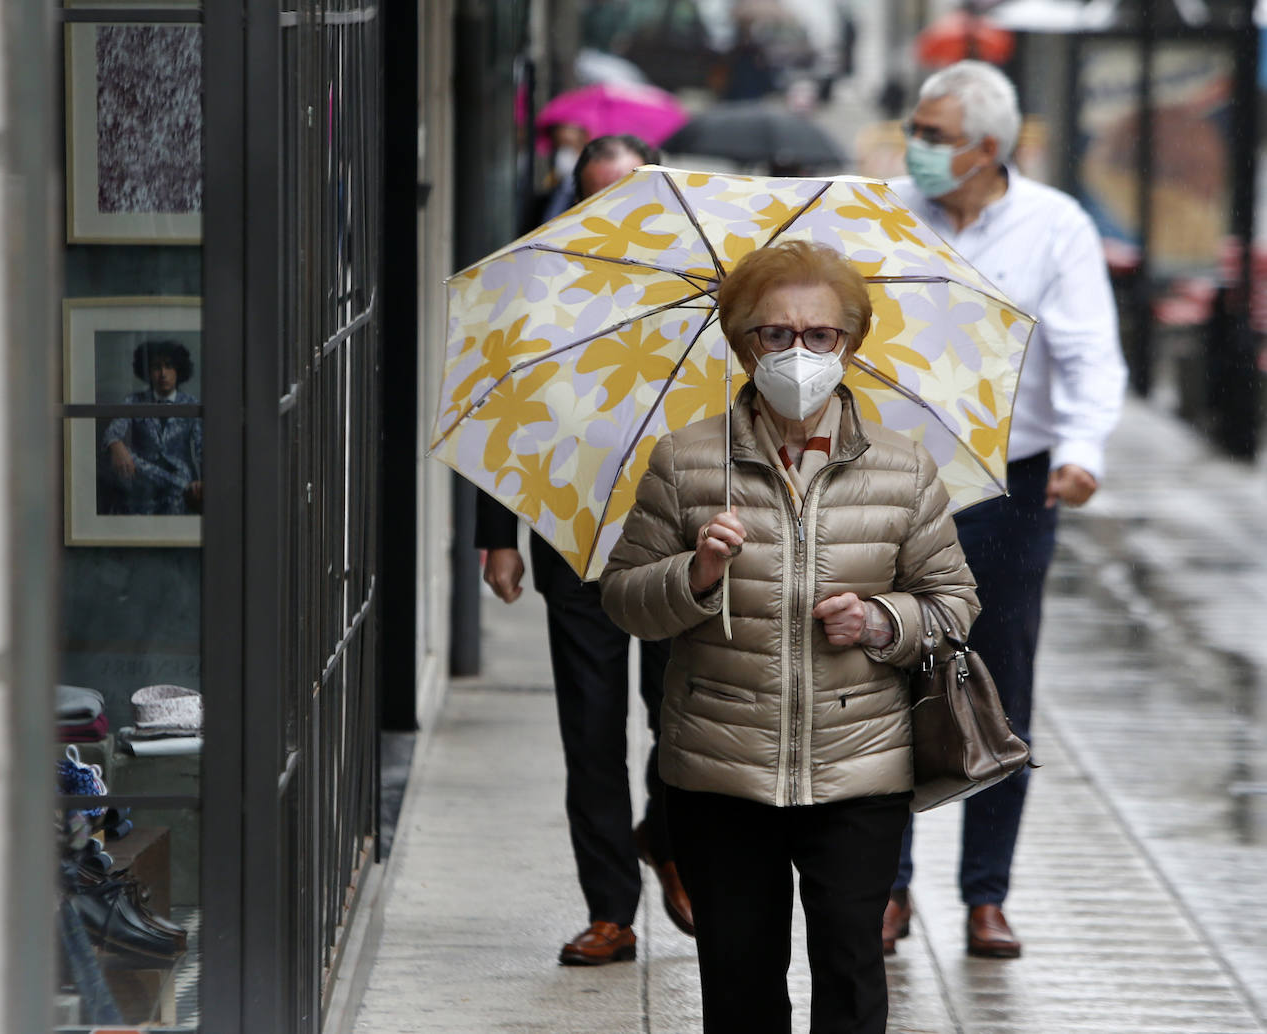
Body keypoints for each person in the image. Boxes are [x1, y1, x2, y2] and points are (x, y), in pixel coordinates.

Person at [600, 240, 979, 1034]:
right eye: (776, 334)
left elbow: (953, 603)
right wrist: (696, 575)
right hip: (720, 768)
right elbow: (627, 603)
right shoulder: (685, 461)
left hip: (859, 768)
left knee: (850, 970)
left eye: (820, 335)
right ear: (742, 343)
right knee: (739, 983)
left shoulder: (904, 471)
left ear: (849, 343)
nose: (799, 353)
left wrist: (881, 620)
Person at [886, 60, 1126, 958]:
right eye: (916, 127)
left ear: (989, 147)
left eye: (935, 134)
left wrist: (1081, 453)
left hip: (1012, 487)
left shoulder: (1053, 225)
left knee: (1000, 685)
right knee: (888, 677)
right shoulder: (888, 214)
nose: (919, 147)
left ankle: (987, 894)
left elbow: (1089, 352)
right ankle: (890, 889)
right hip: (898, 486)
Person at [475, 133, 691, 967]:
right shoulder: (539, 293)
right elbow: (495, 414)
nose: (618, 211)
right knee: (591, 735)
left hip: (682, 547)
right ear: (578, 199)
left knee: (682, 723)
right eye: (602, 194)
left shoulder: (700, 293)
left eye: (633, 195)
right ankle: (611, 911)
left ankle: (667, 838)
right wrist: (499, 540)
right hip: (575, 536)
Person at [100, 340, 203, 516]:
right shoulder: (134, 401)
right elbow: (113, 431)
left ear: (178, 370)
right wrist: (115, 444)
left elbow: (204, 448)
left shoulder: (192, 405)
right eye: (156, 367)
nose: (163, 373)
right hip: (143, 489)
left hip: (181, 494)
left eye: (169, 366)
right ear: (148, 372)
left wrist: (203, 482)